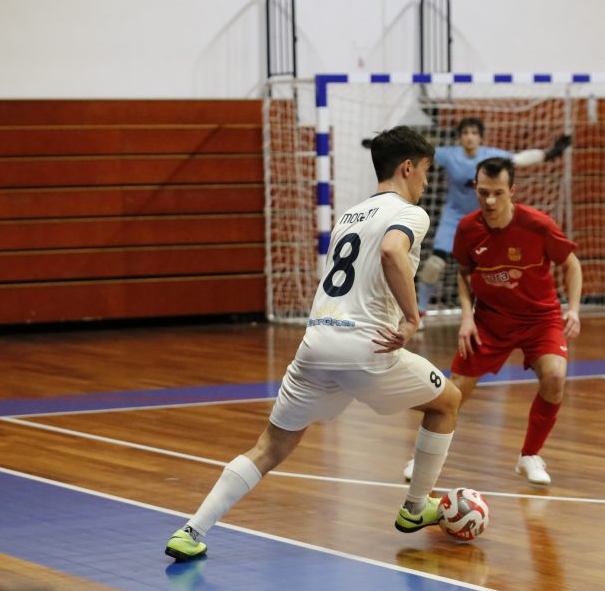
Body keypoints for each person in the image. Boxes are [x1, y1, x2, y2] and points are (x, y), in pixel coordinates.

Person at [165, 126, 462, 561]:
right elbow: (391, 250)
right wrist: (413, 317)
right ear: (407, 167)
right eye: (426, 171)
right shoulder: (409, 213)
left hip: (316, 343)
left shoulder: (350, 216)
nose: (426, 181)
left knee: (270, 447)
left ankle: (191, 530)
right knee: (447, 402)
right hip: (365, 345)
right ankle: (415, 509)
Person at [403, 157, 582, 485]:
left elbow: (571, 264)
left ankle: (529, 456)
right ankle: (422, 458)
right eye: (483, 192)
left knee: (555, 376)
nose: (489, 201)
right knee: (454, 392)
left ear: (512, 191)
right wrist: (467, 318)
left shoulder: (538, 225)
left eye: (497, 193)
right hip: (490, 321)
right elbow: (464, 273)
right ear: (475, 188)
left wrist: (573, 308)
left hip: (540, 319)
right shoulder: (467, 228)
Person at [416, 117, 572, 318]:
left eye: (474, 133)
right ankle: (420, 310)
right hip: (453, 218)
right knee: (434, 264)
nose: (469, 137)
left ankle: (508, 309)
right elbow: (420, 154)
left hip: (485, 219)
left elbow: (520, 159)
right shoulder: (449, 155)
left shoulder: (490, 156)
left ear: (480, 137)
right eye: (465, 133)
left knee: (499, 267)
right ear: (460, 137)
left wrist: (551, 153)